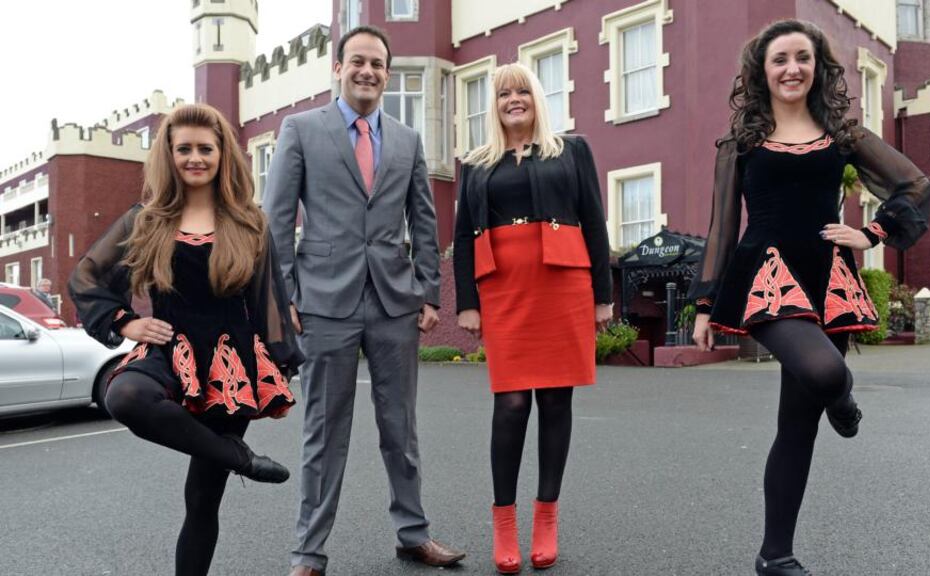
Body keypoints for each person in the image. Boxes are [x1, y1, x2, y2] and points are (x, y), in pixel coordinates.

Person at [689, 20, 930, 576]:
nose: (792, 68)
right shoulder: (741, 143)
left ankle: (775, 556)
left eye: (803, 57)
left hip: (830, 280)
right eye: (780, 59)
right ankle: (842, 397)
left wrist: (873, 234)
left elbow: (914, 183)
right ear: (762, 72)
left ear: (817, 67)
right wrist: (704, 304)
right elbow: (722, 226)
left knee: (795, 426)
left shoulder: (842, 133)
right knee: (824, 376)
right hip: (766, 276)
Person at [262, 25, 465, 576]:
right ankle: (309, 552)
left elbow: (425, 221)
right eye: (358, 61)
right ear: (338, 67)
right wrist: (285, 300)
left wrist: (428, 292)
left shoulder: (407, 139)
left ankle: (412, 534)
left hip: (395, 302)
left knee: (401, 428)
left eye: (378, 63)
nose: (368, 71)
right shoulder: (300, 130)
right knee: (324, 431)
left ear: (387, 72)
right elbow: (277, 223)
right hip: (323, 303)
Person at [68, 103, 303, 576]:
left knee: (201, 501)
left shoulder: (249, 222)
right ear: (168, 155)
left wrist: (278, 362)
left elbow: (268, 299)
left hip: (228, 365)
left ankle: (225, 464)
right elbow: (86, 274)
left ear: (222, 155)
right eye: (184, 149)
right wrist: (125, 322)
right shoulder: (146, 220)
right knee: (126, 396)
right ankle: (240, 458)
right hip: (167, 347)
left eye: (205, 149)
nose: (195, 158)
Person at [453, 62, 613, 574]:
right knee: (512, 404)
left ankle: (547, 516)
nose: (513, 99)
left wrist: (603, 297)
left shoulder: (571, 149)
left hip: (563, 282)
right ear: (494, 106)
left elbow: (593, 219)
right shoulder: (476, 163)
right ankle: (504, 520)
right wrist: (467, 303)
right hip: (503, 288)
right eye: (503, 94)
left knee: (556, 400)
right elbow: (461, 240)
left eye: (522, 91)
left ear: (537, 98)